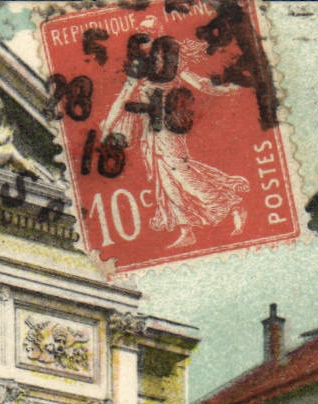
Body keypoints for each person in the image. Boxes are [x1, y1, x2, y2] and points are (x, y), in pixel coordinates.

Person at [97, 17, 249, 248]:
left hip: (169, 126)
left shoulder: (171, 61)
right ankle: (186, 228)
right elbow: (123, 98)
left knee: (180, 172)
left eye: (150, 34)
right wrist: (108, 126)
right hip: (150, 130)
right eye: (142, 35)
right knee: (164, 178)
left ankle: (230, 204)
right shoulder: (139, 66)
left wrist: (228, 88)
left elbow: (200, 84)